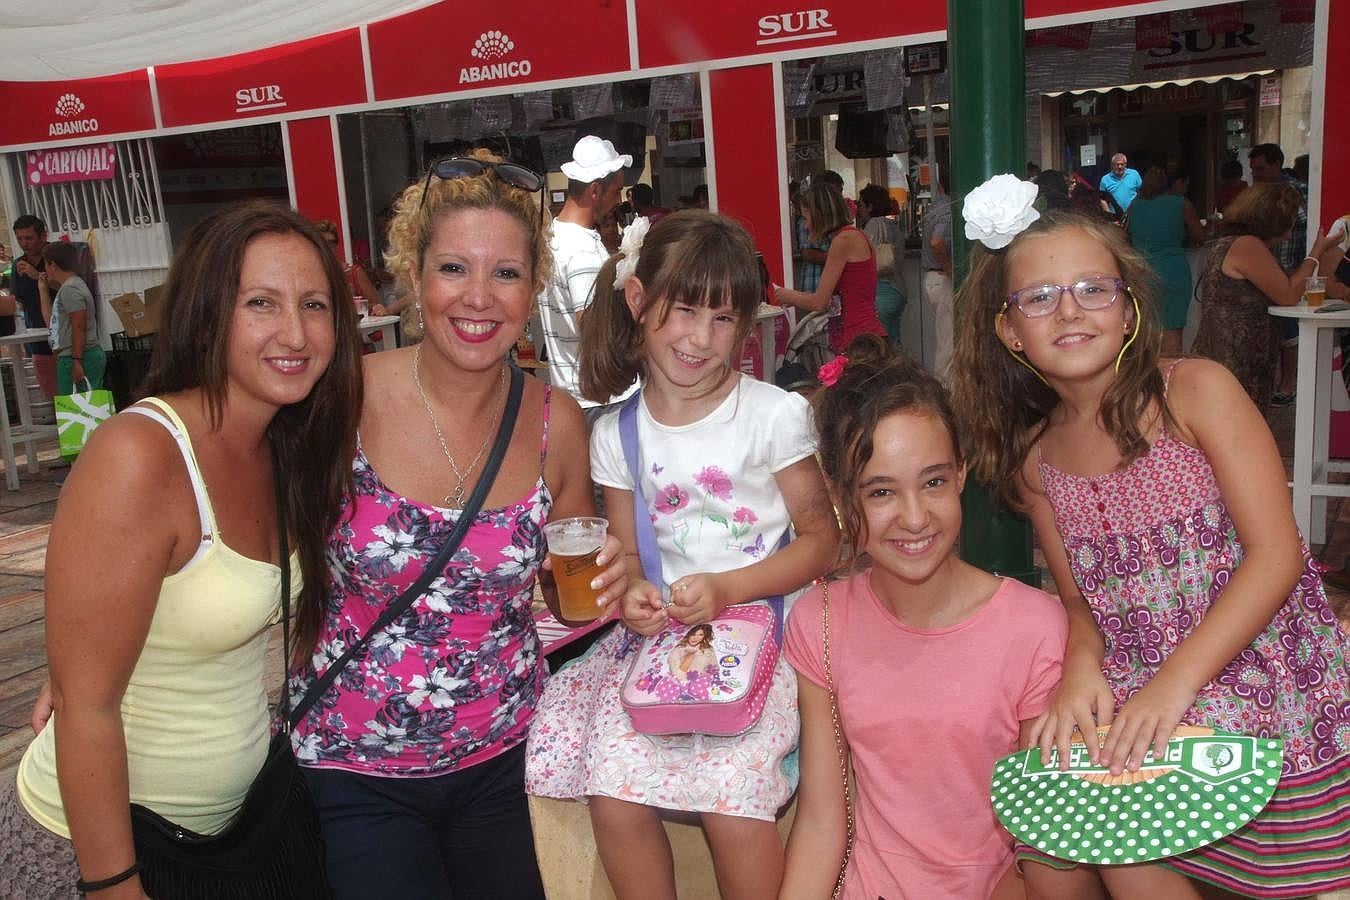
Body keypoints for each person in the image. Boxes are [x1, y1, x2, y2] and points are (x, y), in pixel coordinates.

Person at [950, 188, 1350, 898]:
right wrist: (1080, 668)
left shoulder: (1195, 391)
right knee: (1098, 808)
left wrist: (1174, 686)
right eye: (1039, 297)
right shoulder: (1035, 459)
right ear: (1009, 331)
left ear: (1129, 308)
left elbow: (1278, 554)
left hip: (1256, 660)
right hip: (1143, 678)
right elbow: (1078, 599)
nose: (1069, 310)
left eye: (1091, 289)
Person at [285, 150, 629, 899]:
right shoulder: (343, 395)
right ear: (413, 276)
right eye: (453, 269)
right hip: (355, 768)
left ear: (533, 286)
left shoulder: (554, 421)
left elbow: (575, 597)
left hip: (503, 764)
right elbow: (243, 535)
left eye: (505, 272)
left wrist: (612, 577)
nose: (479, 297)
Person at [0, 200, 365, 900]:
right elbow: (86, 707)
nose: (294, 331)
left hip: (229, 842)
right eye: (261, 302)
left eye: (315, 304)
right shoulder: (142, 455)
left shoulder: (285, 439)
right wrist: (113, 886)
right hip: (94, 854)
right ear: (208, 314)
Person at [525, 211, 840, 900]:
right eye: (684, 310)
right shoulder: (617, 433)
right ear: (638, 302)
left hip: (768, 635)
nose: (701, 338)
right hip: (666, 642)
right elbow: (630, 555)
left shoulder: (774, 414)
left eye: (724, 318)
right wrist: (633, 593)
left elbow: (822, 540)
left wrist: (731, 588)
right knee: (612, 789)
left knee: (729, 802)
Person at [779, 334, 1067, 899]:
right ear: (841, 497)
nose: (914, 518)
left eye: (933, 482)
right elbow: (821, 818)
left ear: (962, 474)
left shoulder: (1035, 629)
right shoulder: (821, 621)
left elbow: (1041, 845)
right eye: (882, 491)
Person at [1190, 183, 1339, 410]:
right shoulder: (1247, 245)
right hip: (1235, 361)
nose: (1289, 236)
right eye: (1288, 226)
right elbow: (1288, 295)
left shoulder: (1231, 242)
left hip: (1227, 357)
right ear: (1272, 222)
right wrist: (1316, 252)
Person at [538, 135, 635, 419]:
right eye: (616, 191)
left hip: (576, 396)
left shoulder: (553, 236)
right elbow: (594, 326)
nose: (617, 200)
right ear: (595, 190)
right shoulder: (582, 250)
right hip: (604, 400)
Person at [775, 181, 885, 356]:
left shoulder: (843, 241)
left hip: (857, 340)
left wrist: (783, 294)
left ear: (820, 215)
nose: (805, 225)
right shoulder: (850, 236)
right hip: (862, 338)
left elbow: (819, 302)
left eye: (806, 217)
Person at [1126, 166, 1207, 357]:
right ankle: (1169, 381)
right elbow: (1200, 235)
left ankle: (1146, 380)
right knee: (1172, 333)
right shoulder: (1181, 204)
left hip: (1141, 271)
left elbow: (1126, 236)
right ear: (1176, 183)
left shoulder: (1134, 206)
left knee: (1144, 332)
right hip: (1173, 271)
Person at [1250, 143, 1307, 405]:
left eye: (1260, 168)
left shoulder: (1296, 192)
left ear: (1276, 164)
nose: (1255, 174)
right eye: (1253, 169)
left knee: (1289, 331)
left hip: (1291, 267)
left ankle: (1288, 384)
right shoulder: (1259, 192)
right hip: (1268, 268)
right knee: (1274, 331)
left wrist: (1304, 265)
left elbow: (1303, 228)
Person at [36, 240, 107, 395]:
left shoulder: (70, 289)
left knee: (81, 410)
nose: (45, 269)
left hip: (80, 356)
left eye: (46, 265)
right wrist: (43, 289)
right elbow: (53, 322)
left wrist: (76, 361)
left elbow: (78, 325)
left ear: (53, 265)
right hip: (73, 356)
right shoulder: (69, 287)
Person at [8, 215, 57, 398]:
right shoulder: (18, 265)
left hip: (65, 335)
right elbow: (16, 299)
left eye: (29, 238)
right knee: (51, 394)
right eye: (20, 239)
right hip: (37, 339)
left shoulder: (56, 256)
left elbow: (70, 285)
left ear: (43, 236)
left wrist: (38, 276)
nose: (24, 243)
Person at [856, 184, 906, 345]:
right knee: (893, 341)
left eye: (861, 205)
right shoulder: (893, 225)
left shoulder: (874, 225)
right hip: (897, 289)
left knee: (879, 345)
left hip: (881, 291)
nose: (859, 210)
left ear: (870, 207)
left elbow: (864, 257)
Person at [920, 168, 955, 377]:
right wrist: (948, 267)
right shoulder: (950, 209)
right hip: (943, 277)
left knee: (946, 340)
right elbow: (936, 241)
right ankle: (946, 393)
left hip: (933, 277)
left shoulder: (936, 206)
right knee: (948, 343)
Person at [313, 218, 378, 311]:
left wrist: (357, 304)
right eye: (323, 242)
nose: (328, 246)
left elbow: (377, 305)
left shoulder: (354, 273)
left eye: (332, 242)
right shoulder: (310, 276)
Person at [1098, 153, 1142, 219]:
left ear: (1125, 164)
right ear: (1112, 165)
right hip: (1115, 217)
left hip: (1134, 215)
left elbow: (1141, 192)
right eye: (1117, 164)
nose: (1120, 167)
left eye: (1122, 164)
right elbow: (1103, 200)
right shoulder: (1105, 179)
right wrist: (1110, 217)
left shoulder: (1134, 174)